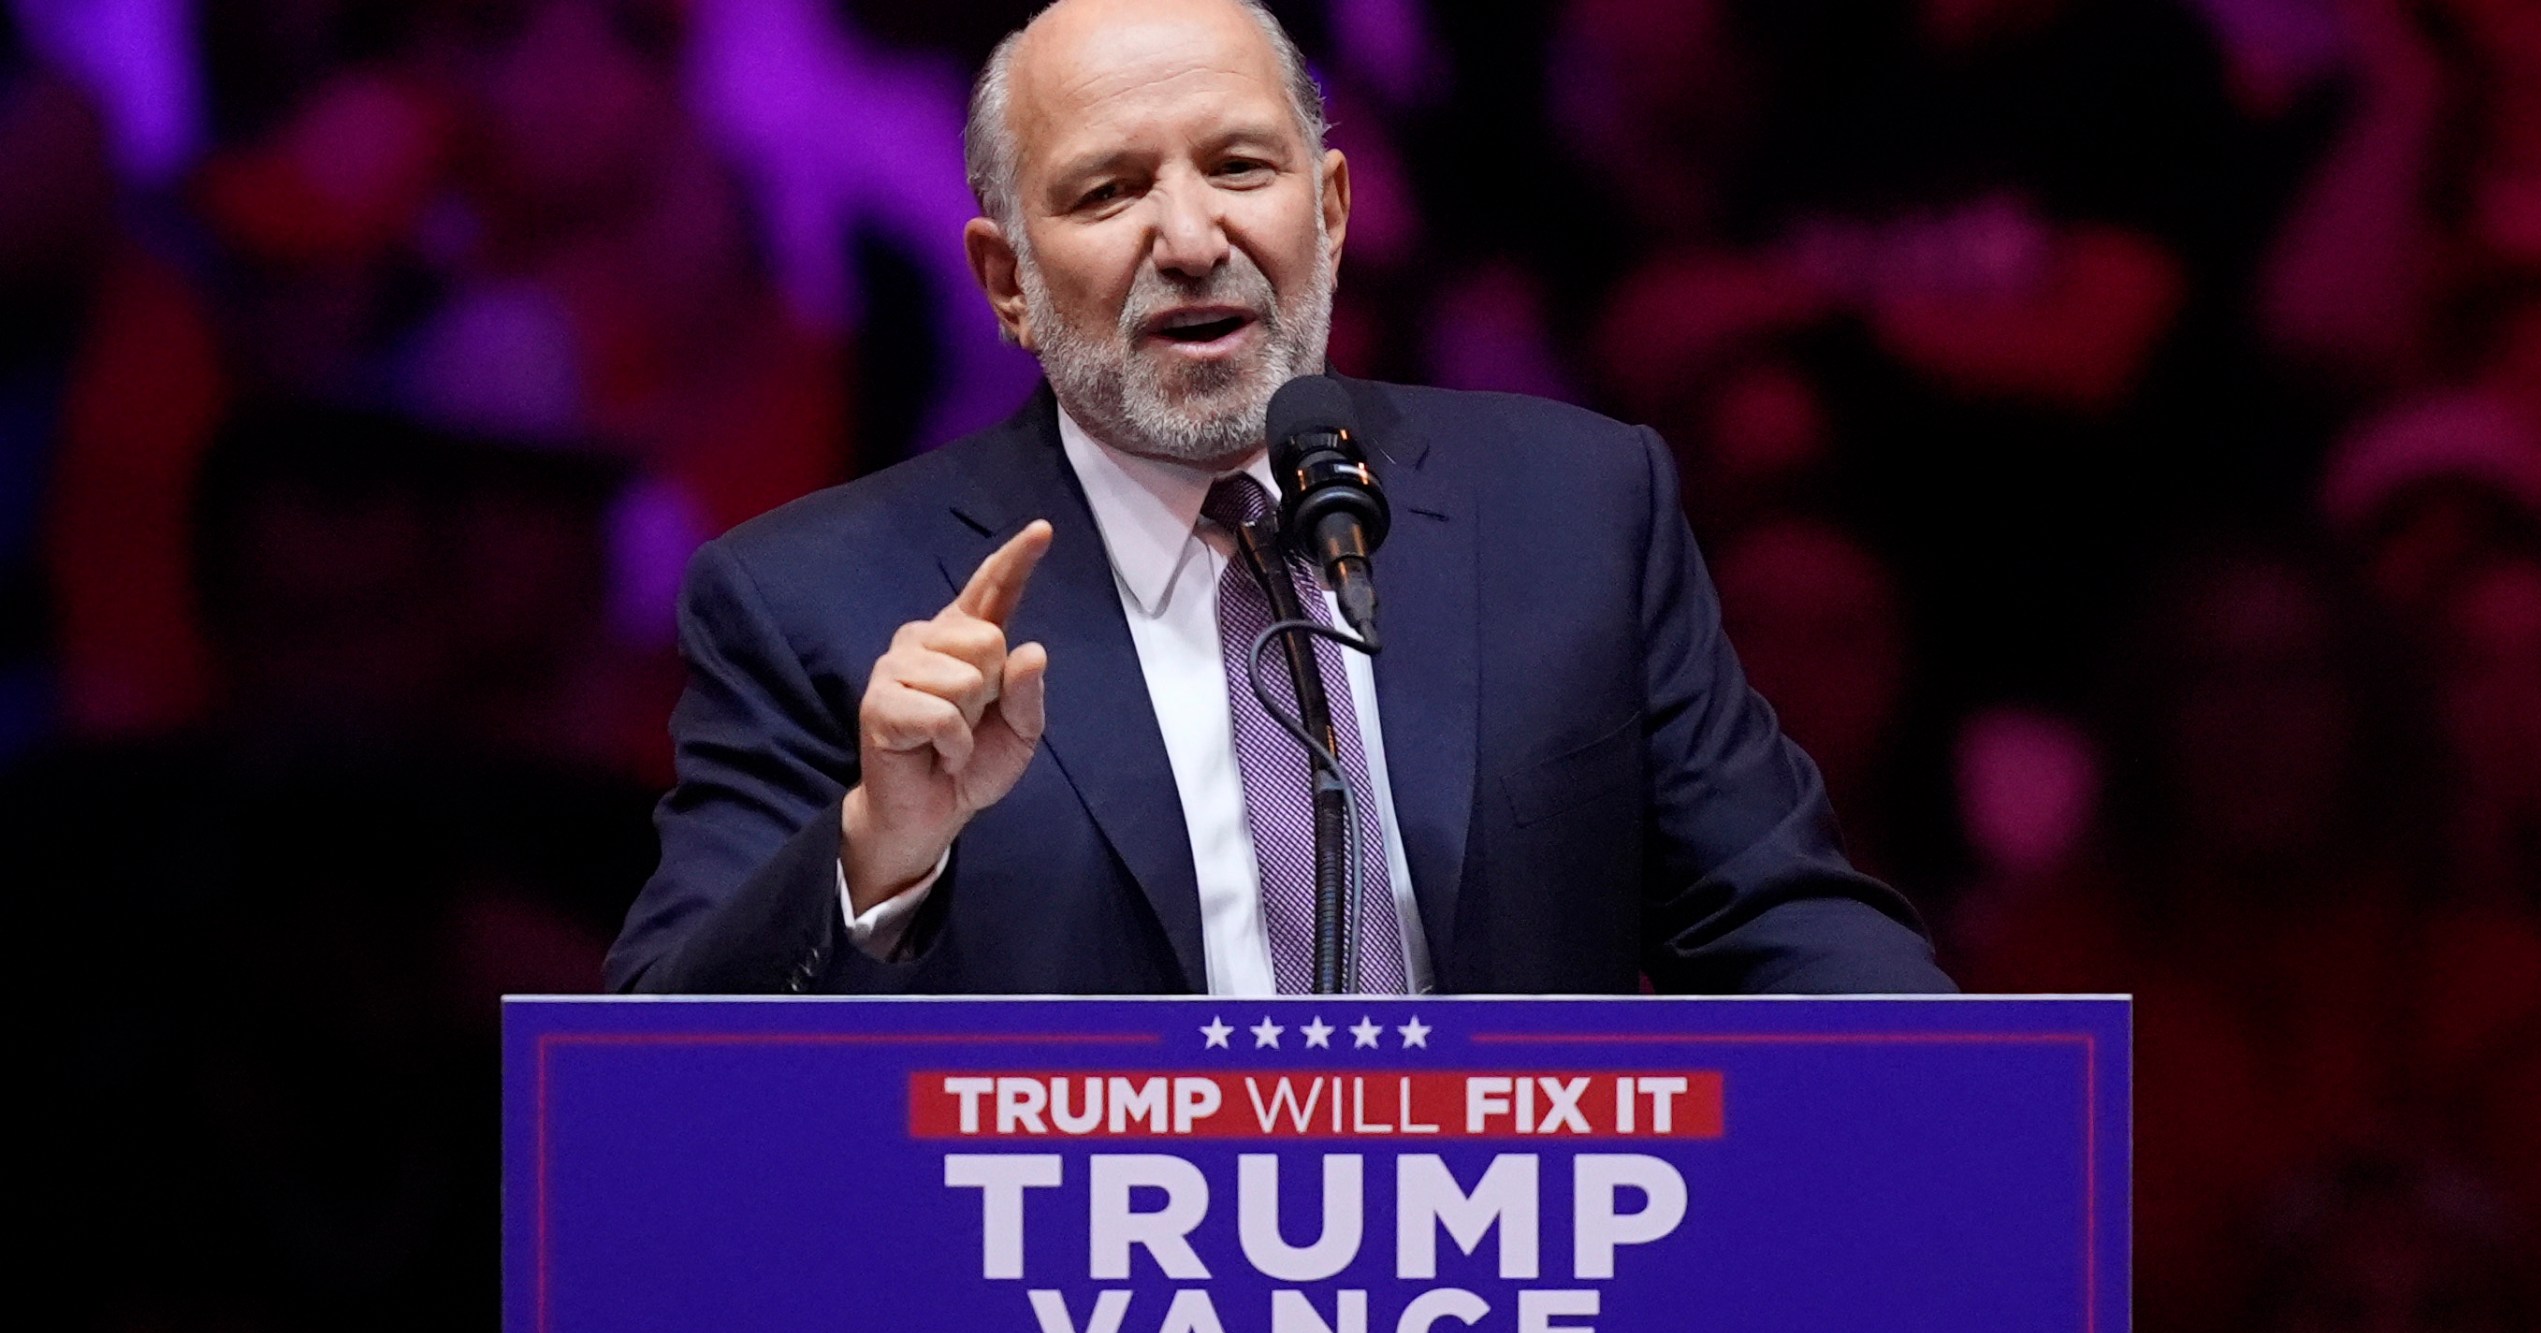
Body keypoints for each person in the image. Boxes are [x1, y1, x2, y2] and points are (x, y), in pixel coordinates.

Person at [605, 0, 1948, 997]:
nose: (1191, 239)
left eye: (1240, 169)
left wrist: (1975, 1129)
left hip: (1524, 1320)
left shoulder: (1579, 512)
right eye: (1109, 190)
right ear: (1006, 281)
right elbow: (654, 1089)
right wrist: (878, 849)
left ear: (1336, 213)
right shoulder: (817, 602)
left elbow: (1788, 927)